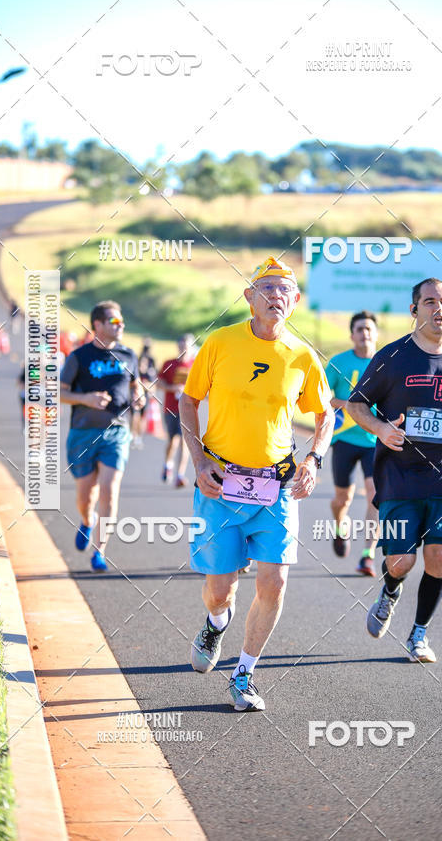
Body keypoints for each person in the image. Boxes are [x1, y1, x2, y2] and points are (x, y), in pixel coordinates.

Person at [179, 256, 334, 711]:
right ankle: (215, 621)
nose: (275, 296)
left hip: (277, 486)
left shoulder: (302, 356)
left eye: (283, 290)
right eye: (265, 288)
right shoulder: (220, 343)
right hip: (221, 482)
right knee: (219, 589)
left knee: (274, 583)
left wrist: (315, 459)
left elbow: (325, 414)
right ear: (249, 297)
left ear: (296, 301)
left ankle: (244, 673)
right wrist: (198, 461)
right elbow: (188, 402)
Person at [348, 278, 442, 663]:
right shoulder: (392, 357)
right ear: (415, 311)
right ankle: (391, 588)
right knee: (401, 561)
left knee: (439, 558)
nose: (438, 308)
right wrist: (380, 428)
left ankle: (419, 634)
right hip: (400, 474)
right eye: (429, 302)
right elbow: (356, 404)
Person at [60, 301, 143, 572]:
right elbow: (59, 393)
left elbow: (135, 383)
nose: (121, 326)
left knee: (109, 488)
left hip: (117, 431)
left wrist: (138, 396)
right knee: (86, 496)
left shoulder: (129, 355)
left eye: (121, 322)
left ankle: (100, 551)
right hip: (82, 433)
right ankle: (86, 520)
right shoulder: (79, 357)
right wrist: (85, 398)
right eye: (114, 322)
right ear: (97, 324)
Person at [325, 311, 379, 574]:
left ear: (375, 333)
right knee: (342, 499)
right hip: (345, 438)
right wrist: (350, 405)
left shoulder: (387, 362)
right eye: (360, 329)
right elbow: (321, 397)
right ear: (352, 335)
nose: (365, 333)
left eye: (369, 329)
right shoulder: (338, 362)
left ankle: (367, 554)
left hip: (374, 440)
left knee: (374, 495)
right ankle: (339, 526)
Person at [158, 334, 196, 487]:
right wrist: (172, 388)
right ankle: (168, 465)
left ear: (191, 347)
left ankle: (180, 475)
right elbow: (159, 383)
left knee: (184, 442)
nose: (183, 348)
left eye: (186, 345)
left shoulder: (196, 364)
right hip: (171, 408)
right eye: (181, 345)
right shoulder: (169, 363)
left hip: (188, 410)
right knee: (172, 440)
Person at [131, 339, 157, 449]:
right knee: (134, 416)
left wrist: (145, 386)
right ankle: (133, 435)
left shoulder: (150, 369)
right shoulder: (136, 369)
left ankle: (139, 437)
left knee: (142, 418)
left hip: (144, 397)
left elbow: (153, 386)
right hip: (135, 396)